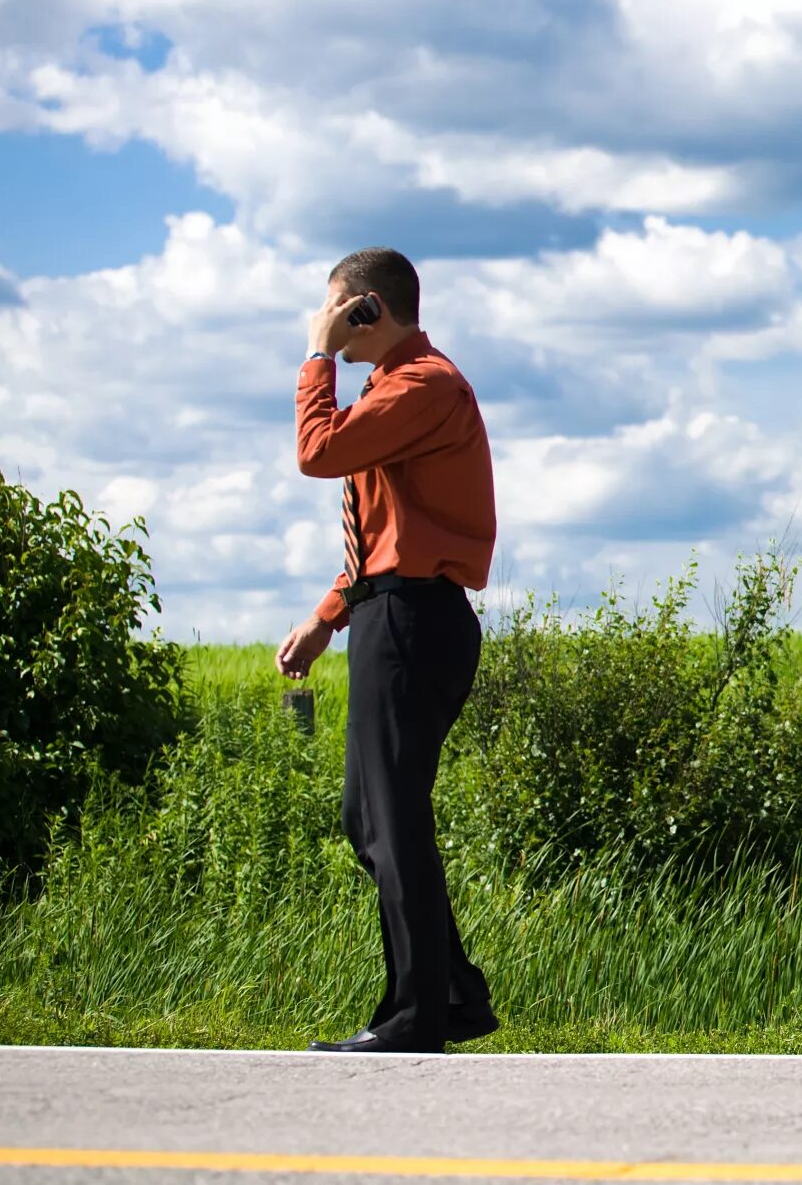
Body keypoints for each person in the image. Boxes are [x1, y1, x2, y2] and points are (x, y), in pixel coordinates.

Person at [274, 246, 500, 1054]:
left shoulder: (423, 385)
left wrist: (315, 353)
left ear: (367, 309)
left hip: (414, 621)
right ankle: (453, 993)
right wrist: (328, 616)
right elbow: (382, 538)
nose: (331, 320)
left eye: (340, 308)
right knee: (368, 816)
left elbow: (316, 452)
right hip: (390, 613)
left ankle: (416, 1016)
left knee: (394, 817)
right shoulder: (396, 393)